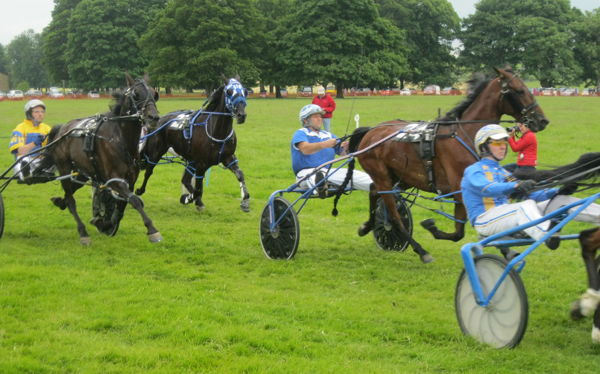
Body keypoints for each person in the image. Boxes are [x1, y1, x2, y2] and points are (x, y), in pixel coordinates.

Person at [461, 124, 600, 249]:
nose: (503, 146)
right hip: (485, 220)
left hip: (506, 217)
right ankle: (547, 234)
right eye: (497, 142)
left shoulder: (503, 172)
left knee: (562, 201)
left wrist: (557, 191)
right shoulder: (474, 170)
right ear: (483, 146)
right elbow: (487, 188)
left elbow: (531, 193)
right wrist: (516, 185)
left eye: (504, 142)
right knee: (525, 205)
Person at [291, 104, 372, 196]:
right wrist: (324, 144)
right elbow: (305, 149)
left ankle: (381, 186)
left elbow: (343, 153)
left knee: (353, 174)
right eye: (316, 116)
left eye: (320, 116)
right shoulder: (301, 133)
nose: (320, 119)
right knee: (316, 176)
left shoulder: (328, 135)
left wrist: (348, 147)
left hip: (328, 173)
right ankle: (321, 187)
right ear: (305, 120)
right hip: (305, 173)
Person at [9, 99, 54, 182]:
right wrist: (35, 143)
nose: (40, 114)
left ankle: (44, 172)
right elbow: (20, 151)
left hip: (42, 161)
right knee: (23, 160)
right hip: (26, 160)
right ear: (29, 114)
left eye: (42, 112)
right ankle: (26, 174)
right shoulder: (20, 128)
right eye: (36, 112)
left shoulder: (47, 128)